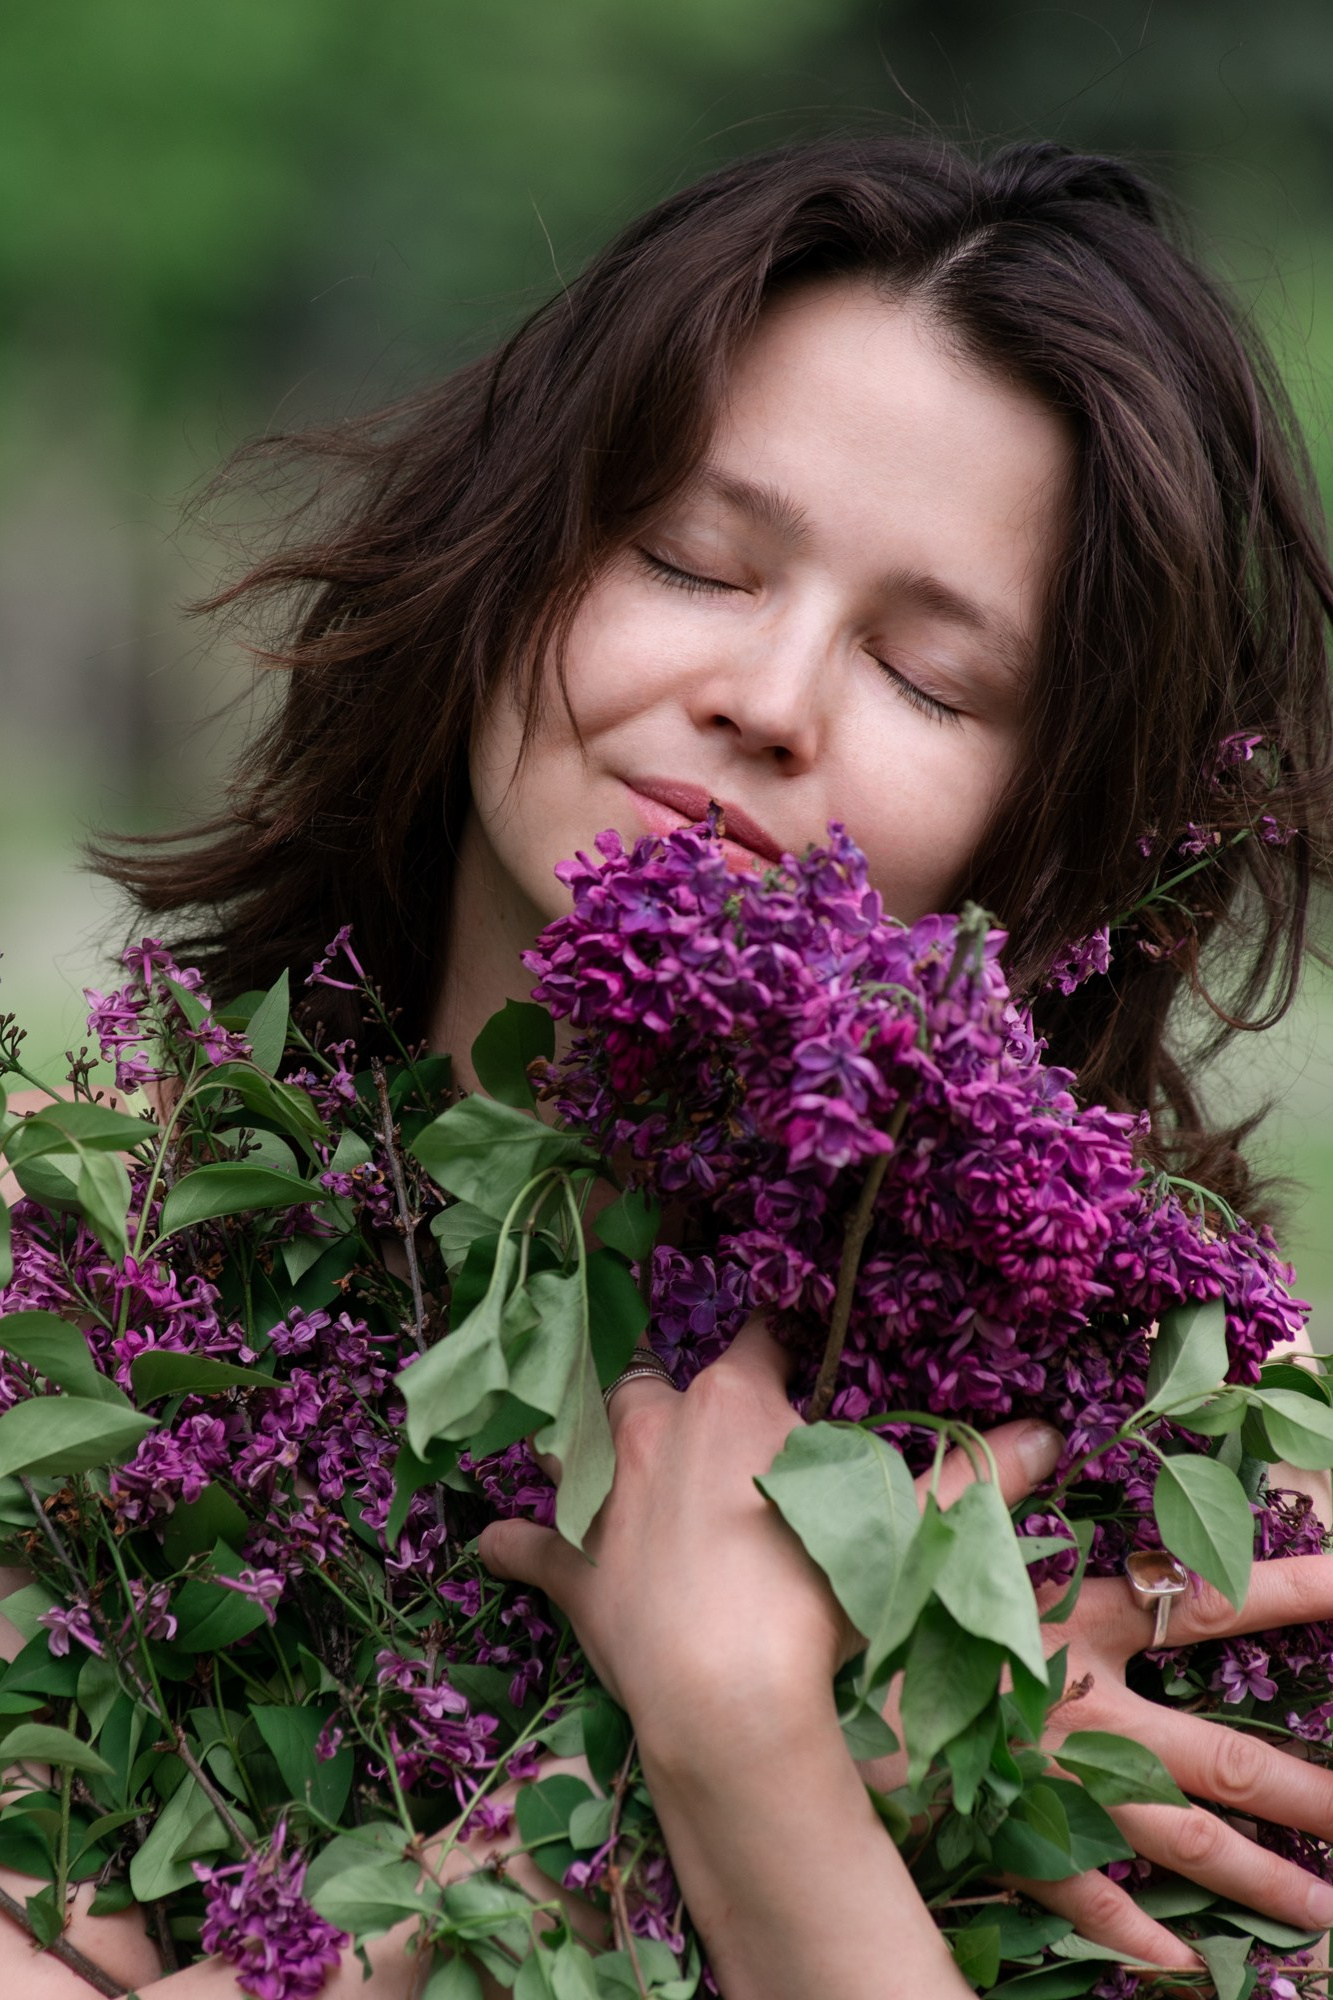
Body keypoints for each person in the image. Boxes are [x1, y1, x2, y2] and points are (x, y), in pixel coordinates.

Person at [7, 133, 1333, 1996]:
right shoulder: (67, 1295)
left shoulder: (1172, 1479)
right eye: (693, 561)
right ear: (508, 551)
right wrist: (703, 1771)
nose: (768, 701)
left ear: (1051, 836)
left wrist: (757, 1767)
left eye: (932, 682)